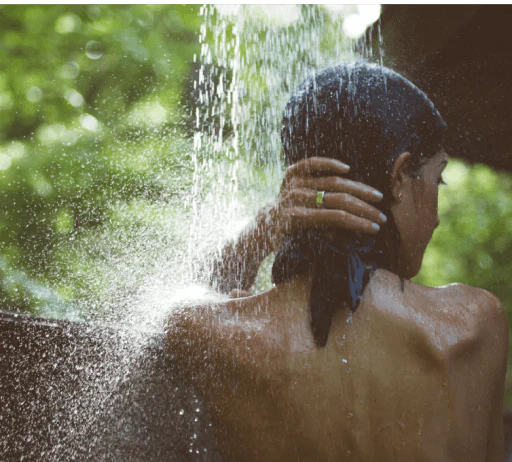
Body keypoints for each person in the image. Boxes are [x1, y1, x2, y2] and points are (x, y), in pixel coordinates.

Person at [168, 62, 508, 461]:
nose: (436, 216)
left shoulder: (218, 333)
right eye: (438, 179)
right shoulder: (473, 326)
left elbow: (176, 301)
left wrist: (265, 227)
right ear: (399, 177)